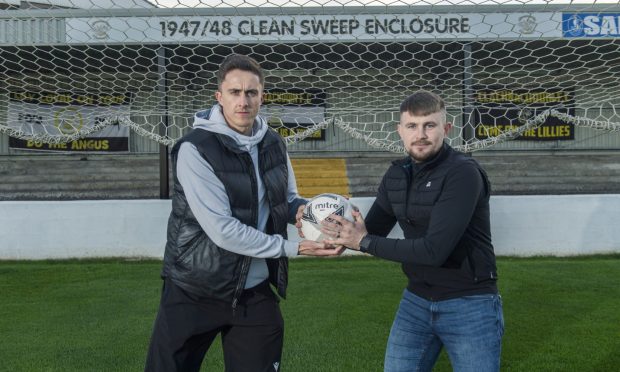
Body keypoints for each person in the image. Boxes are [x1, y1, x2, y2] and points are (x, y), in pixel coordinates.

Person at [145, 54, 343, 372]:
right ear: (219, 97)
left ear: (262, 97)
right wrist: (296, 248)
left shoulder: (274, 143)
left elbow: (288, 200)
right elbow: (222, 229)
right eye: (235, 92)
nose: (243, 100)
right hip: (195, 289)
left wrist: (318, 215)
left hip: (254, 291)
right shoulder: (194, 149)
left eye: (251, 92)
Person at [322, 90, 504, 372]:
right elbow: (370, 233)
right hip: (416, 301)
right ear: (400, 131)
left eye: (429, 125)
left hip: (469, 303)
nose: (420, 134)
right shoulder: (396, 174)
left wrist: (363, 240)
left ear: (446, 128)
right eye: (412, 126)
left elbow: (434, 251)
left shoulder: (463, 173)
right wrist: (334, 233)